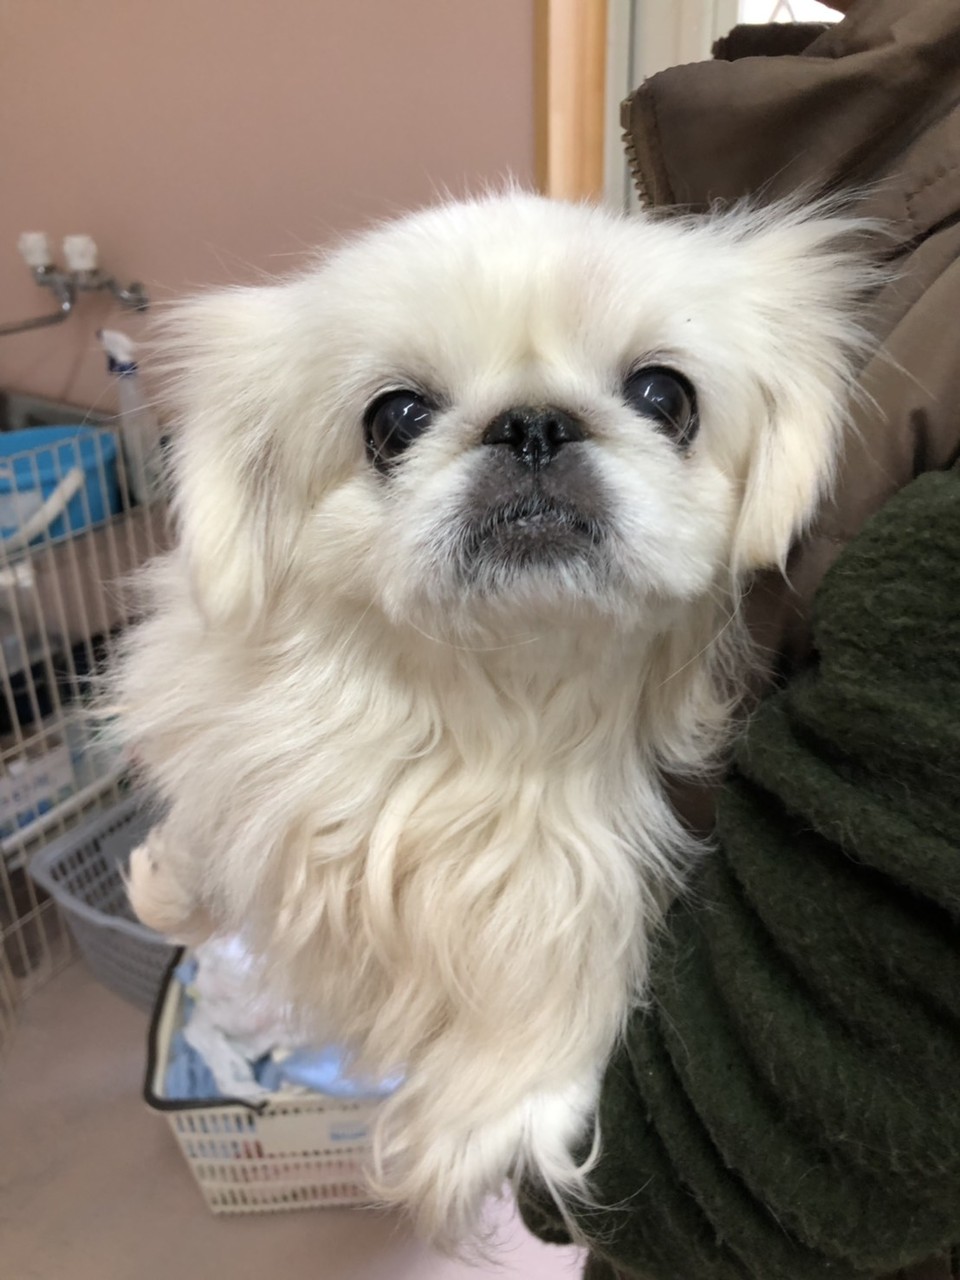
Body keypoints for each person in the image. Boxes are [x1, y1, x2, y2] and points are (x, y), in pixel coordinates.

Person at [518, 2, 960, 1277]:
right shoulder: (850, 136)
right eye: (399, 419)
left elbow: (705, 1155)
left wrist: (483, 1080)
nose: (534, 438)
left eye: (655, 397)